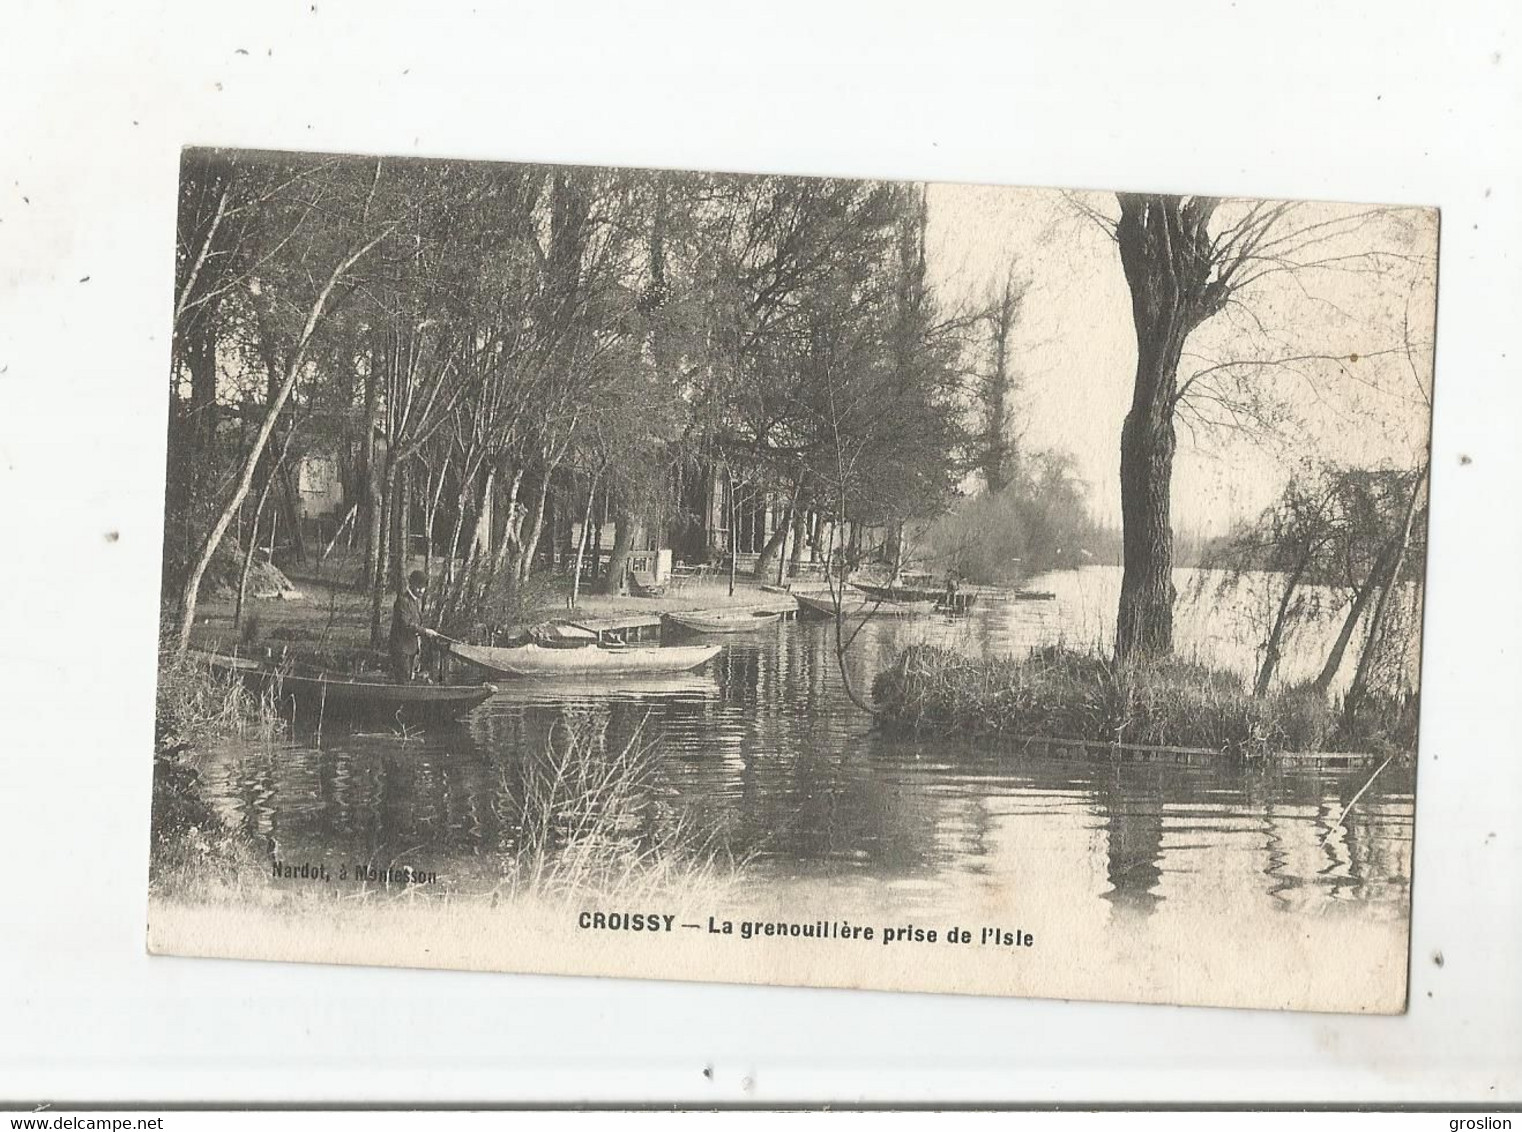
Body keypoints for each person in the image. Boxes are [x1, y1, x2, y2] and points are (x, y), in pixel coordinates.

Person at [389, 569, 440, 683]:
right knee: (403, 681)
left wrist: (426, 632)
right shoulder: (402, 601)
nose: (422, 590)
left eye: (423, 587)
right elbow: (406, 624)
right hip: (401, 648)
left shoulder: (415, 601)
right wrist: (425, 631)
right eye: (419, 587)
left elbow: (417, 622)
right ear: (412, 585)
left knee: (408, 680)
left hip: (411, 648)